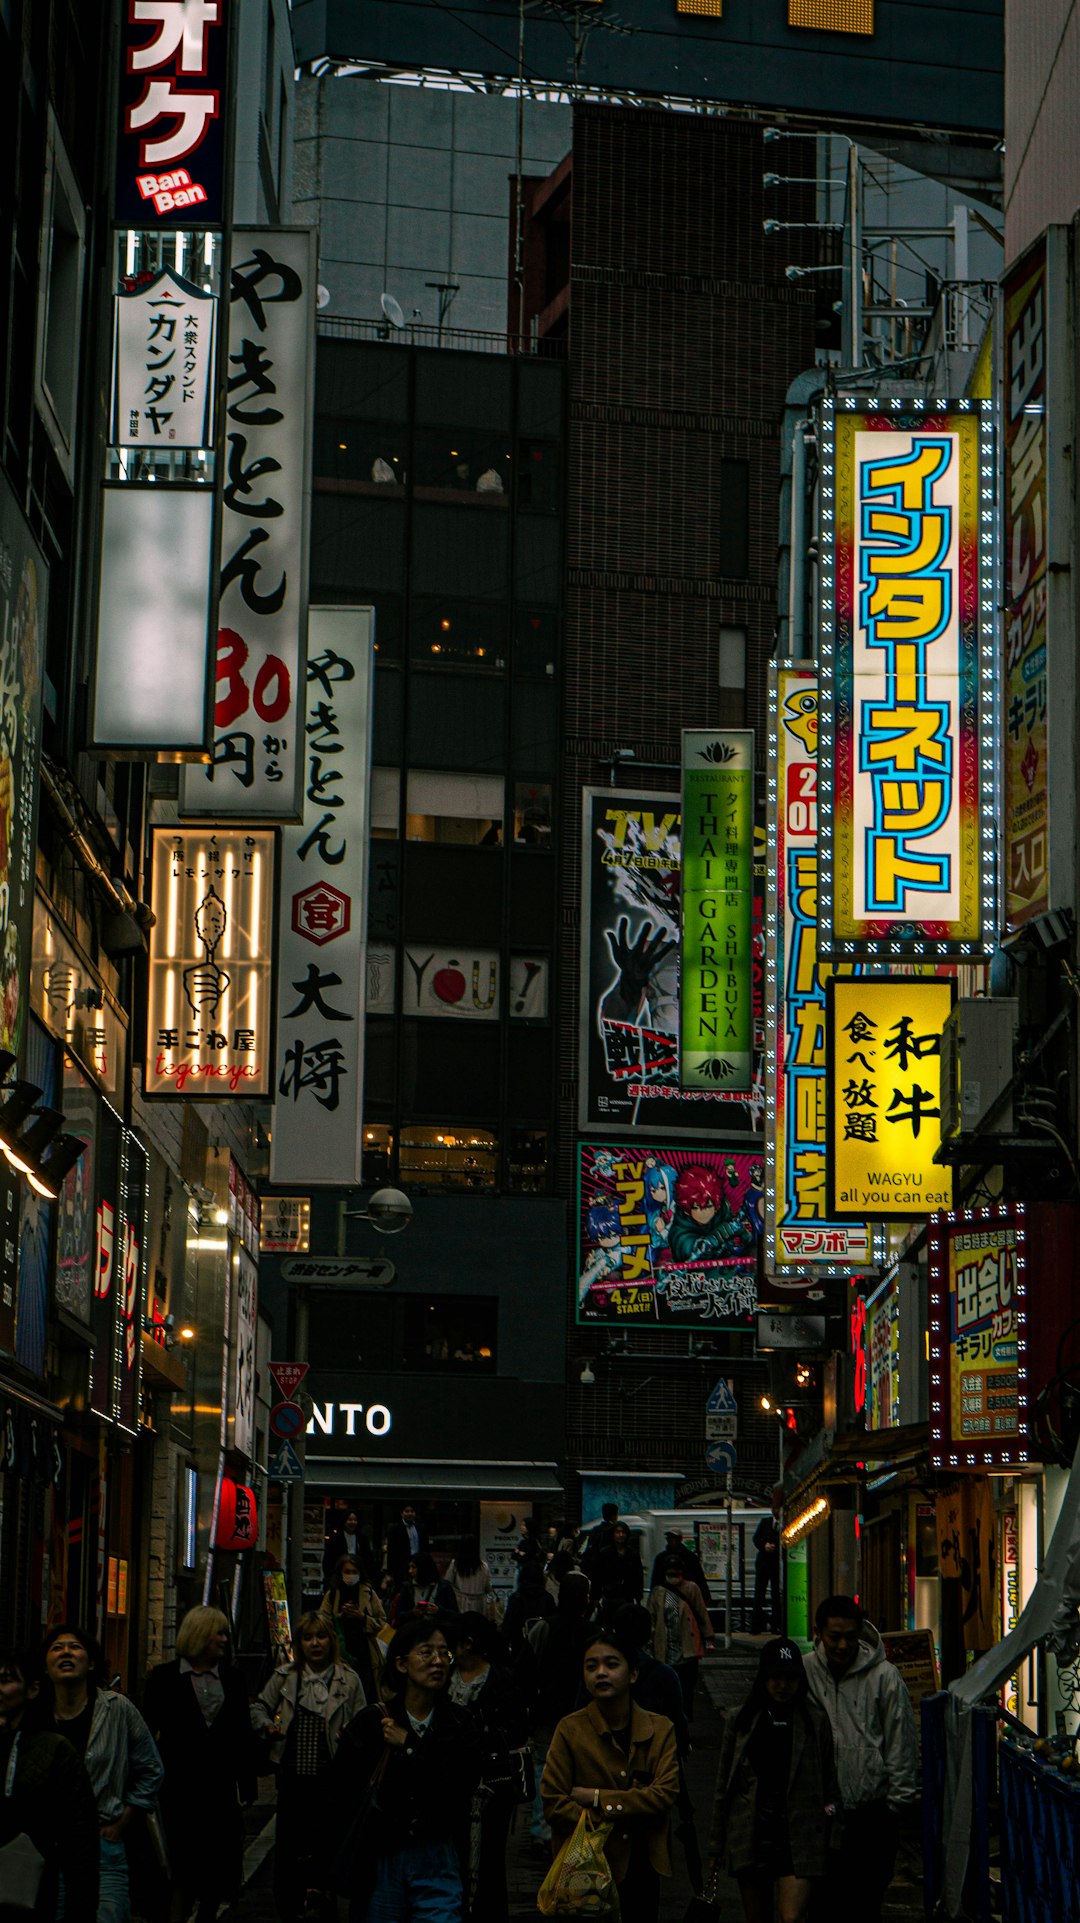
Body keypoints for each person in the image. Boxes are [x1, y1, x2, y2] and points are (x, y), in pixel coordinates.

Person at [335, 1616, 482, 1921]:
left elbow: (458, 1786)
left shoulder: (460, 1723)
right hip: (383, 1854)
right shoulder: (372, 1723)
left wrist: (410, 1745)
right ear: (402, 1664)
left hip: (438, 1854)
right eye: (426, 1653)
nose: (438, 1661)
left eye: (445, 1653)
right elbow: (341, 1793)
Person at [541, 1626, 679, 1923]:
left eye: (611, 1664)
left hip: (641, 1865)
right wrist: (627, 1807)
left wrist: (597, 1798)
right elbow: (554, 1803)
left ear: (633, 1674)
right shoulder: (570, 1729)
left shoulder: (660, 1729)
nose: (601, 1673)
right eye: (592, 1667)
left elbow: (664, 1795)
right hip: (584, 1868)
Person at [142, 1606, 260, 1923]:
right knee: (179, 1872)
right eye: (217, 1633)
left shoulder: (233, 1679)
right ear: (198, 1635)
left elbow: (242, 1732)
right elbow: (146, 1734)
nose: (224, 1639)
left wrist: (248, 1783)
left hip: (219, 1790)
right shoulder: (165, 1678)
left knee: (216, 1874)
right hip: (177, 1790)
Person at [804, 1595, 918, 1923]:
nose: (842, 1645)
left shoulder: (884, 1677)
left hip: (872, 1813)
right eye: (834, 1636)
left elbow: (901, 1745)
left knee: (865, 1904)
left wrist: (896, 1805)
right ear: (818, 1633)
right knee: (823, 1905)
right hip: (819, 1813)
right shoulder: (806, 1670)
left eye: (850, 1636)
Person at [40, 1623, 163, 1923]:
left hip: (103, 1847)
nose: (66, 1652)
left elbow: (151, 1768)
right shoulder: (36, 1715)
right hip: (46, 1849)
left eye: (75, 1647)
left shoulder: (117, 1709)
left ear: (91, 1662)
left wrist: (125, 1817)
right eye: (57, 1647)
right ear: (45, 1665)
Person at [708, 1638, 838, 1923]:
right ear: (764, 1678)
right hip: (752, 1832)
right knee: (757, 1916)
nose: (782, 1685)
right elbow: (724, 1785)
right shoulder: (741, 1719)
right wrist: (716, 1845)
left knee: (790, 1916)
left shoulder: (814, 1720)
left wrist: (831, 1831)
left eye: (790, 1677)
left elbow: (830, 1782)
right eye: (776, 1677)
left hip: (800, 1835)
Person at [253, 1610, 366, 1922]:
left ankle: (324, 1902)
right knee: (289, 1847)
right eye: (308, 1637)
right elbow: (259, 1706)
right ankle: (289, 1905)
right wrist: (266, 1726)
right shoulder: (286, 1677)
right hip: (292, 1777)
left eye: (322, 1636)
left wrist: (351, 1736)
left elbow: (365, 1721)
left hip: (332, 1778)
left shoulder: (349, 1679)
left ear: (332, 1640)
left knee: (327, 1845)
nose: (315, 1643)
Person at [0, 1646, 99, 1923]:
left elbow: (80, 1841)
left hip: (28, 1886)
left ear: (31, 1689)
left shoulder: (54, 1750)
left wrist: (80, 1910)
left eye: (6, 1681)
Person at [446, 1614, 529, 1921]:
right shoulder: (445, 1676)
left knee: (490, 1857)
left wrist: (478, 1733)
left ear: (468, 1644)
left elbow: (517, 1730)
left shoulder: (502, 1678)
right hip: (451, 1782)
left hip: (492, 1783)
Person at [520, 1570, 592, 1850]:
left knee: (544, 1768)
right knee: (579, 1769)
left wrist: (528, 1706)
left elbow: (526, 1669)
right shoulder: (594, 1633)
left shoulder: (544, 1629)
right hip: (583, 1714)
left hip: (546, 1711)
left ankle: (542, 1828)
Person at [648, 1557, 713, 1719]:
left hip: (687, 1646)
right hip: (666, 1645)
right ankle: (672, 1713)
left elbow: (701, 1612)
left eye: (676, 1571)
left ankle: (684, 1714)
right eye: (670, 1571)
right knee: (668, 1684)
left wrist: (708, 1636)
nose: (674, 1575)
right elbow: (651, 1617)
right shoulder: (658, 1592)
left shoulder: (691, 1588)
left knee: (687, 1684)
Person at [322, 1554, 387, 1700]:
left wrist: (362, 1617)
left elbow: (382, 1622)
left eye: (354, 1572)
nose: (350, 1576)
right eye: (347, 1572)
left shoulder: (368, 1593)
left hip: (364, 1652)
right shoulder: (333, 1593)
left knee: (364, 1692)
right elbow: (322, 1621)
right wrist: (338, 1617)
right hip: (340, 1652)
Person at [501, 1557, 553, 1657]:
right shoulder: (547, 1599)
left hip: (519, 1650)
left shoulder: (516, 1599)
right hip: (542, 1652)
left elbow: (507, 1629)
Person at [649, 1529, 713, 1608]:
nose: (671, 1540)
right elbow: (655, 1579)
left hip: (686, 1594)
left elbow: (699, 1577)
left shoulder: (690, 1557)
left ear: (680, 1539)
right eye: (669, 1538)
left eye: (673, 1538)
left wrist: (706, 1597)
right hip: (666, 1594)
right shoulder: (660, 1558)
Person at [592, 1521, 644, 1619]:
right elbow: (597, 1576)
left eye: (623, 1532)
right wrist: (595, 1596)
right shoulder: (604, 1553)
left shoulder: (633, 1553)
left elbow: (638, 1575)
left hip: (627, 1596)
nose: (621, 1535)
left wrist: (638, 1595)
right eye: (618, 1532)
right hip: (610, 1596)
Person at [389, 1552, 457, 1624]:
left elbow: (454, 1614)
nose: (410, 1571)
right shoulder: (408, 1587)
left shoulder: (444, 1587)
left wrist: (438, 1611)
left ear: (423, 1568)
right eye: (410, 1567)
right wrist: (413, 1613)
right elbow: (398, 1615)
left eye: (413, 1567)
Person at [751, 1492, 783, 1634]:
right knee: (759, 1594)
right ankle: (756, 1625)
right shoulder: (765, 1522)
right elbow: (756, 1539)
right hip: (763, 1563)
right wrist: (764, 1546)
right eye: (775, 1509)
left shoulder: (785, 1524)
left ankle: (776, 1624)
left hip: (776, 1563)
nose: (777, 1511)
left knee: (776, 1594)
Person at [444, 1537, 497, 1619]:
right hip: (479, 1604)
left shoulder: (455, 1564)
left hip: (460, 1602)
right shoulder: (483, 1566)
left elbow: (447, 1582)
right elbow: (488, 1587)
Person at [323, 1508, 376, 1586]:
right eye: (350, 1520)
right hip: (340, 1577)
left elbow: (368, 1559)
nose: (353, 1522)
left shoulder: (363, 1539)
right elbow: (328, 1559)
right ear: (344, 1521)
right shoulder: (335, 1539)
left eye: (355, 1520)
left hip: (358, 1577)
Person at [385, 1505, 429, 1588]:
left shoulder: (421, 1528)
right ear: (402, 1513)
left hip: (418, 1565)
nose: (409, 1514)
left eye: (412, 1511)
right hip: (401, 1567)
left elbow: (425, 1548)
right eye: (407, 1511)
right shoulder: (395, 1529)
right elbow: (391, 1552)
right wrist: (389, 1573)